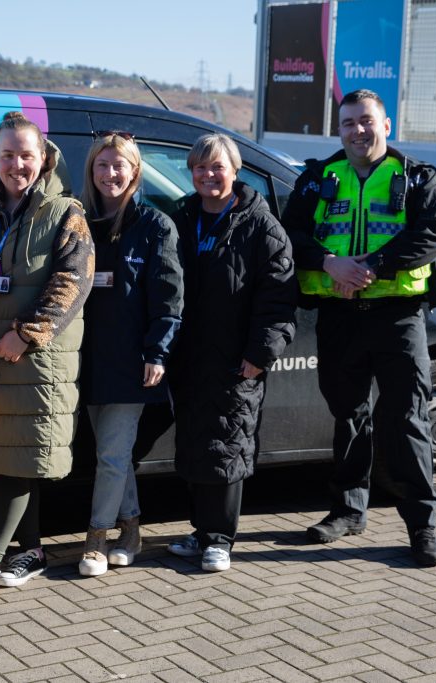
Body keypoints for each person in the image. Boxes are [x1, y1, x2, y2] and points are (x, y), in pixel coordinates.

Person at [281, 89, 436, 567]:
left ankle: (422, 526)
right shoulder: (318, 178)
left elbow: (434, 233)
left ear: (386, 124)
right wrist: (330, 262)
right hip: (339, 316)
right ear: (339, 130)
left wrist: (372, 266)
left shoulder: (415, 176)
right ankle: (348, 510)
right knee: (349, 415)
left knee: (407, 420)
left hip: (397, 317)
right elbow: (289, 233)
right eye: (348, 123)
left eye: (366, 121)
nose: (358, 130)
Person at [0, 111, 94, 605]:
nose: (17, 165)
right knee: (8, 457)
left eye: (26, 155)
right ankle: (29, 550)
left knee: (16, 461)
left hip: (35, 362)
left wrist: (24, 336)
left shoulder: (66, 211)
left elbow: (74, 281)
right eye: (7, 155)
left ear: (43, 158)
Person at [166, 133, 297, 572]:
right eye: (200, 167)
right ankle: (201, 531)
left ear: (235, 170)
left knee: (229, 443)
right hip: (190, 355)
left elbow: (277, 298)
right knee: (195, 442)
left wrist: (261, 352)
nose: (208, 175)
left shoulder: (262, 226)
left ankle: (221, 538)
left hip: (237, 357)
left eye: (217, 166)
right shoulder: (182, 215)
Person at [76, 132, 183, 576]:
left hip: (131, 360)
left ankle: (97, 538)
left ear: (135, 171)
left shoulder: (155, 226)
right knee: (110, 452)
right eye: (102, 165)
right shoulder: (78, 219)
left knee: (113, 454)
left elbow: (169, 298)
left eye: (119, 165)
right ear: (91, 171)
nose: (110, 174)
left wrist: (157, 353)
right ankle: (133, 527)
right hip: (85, 359)